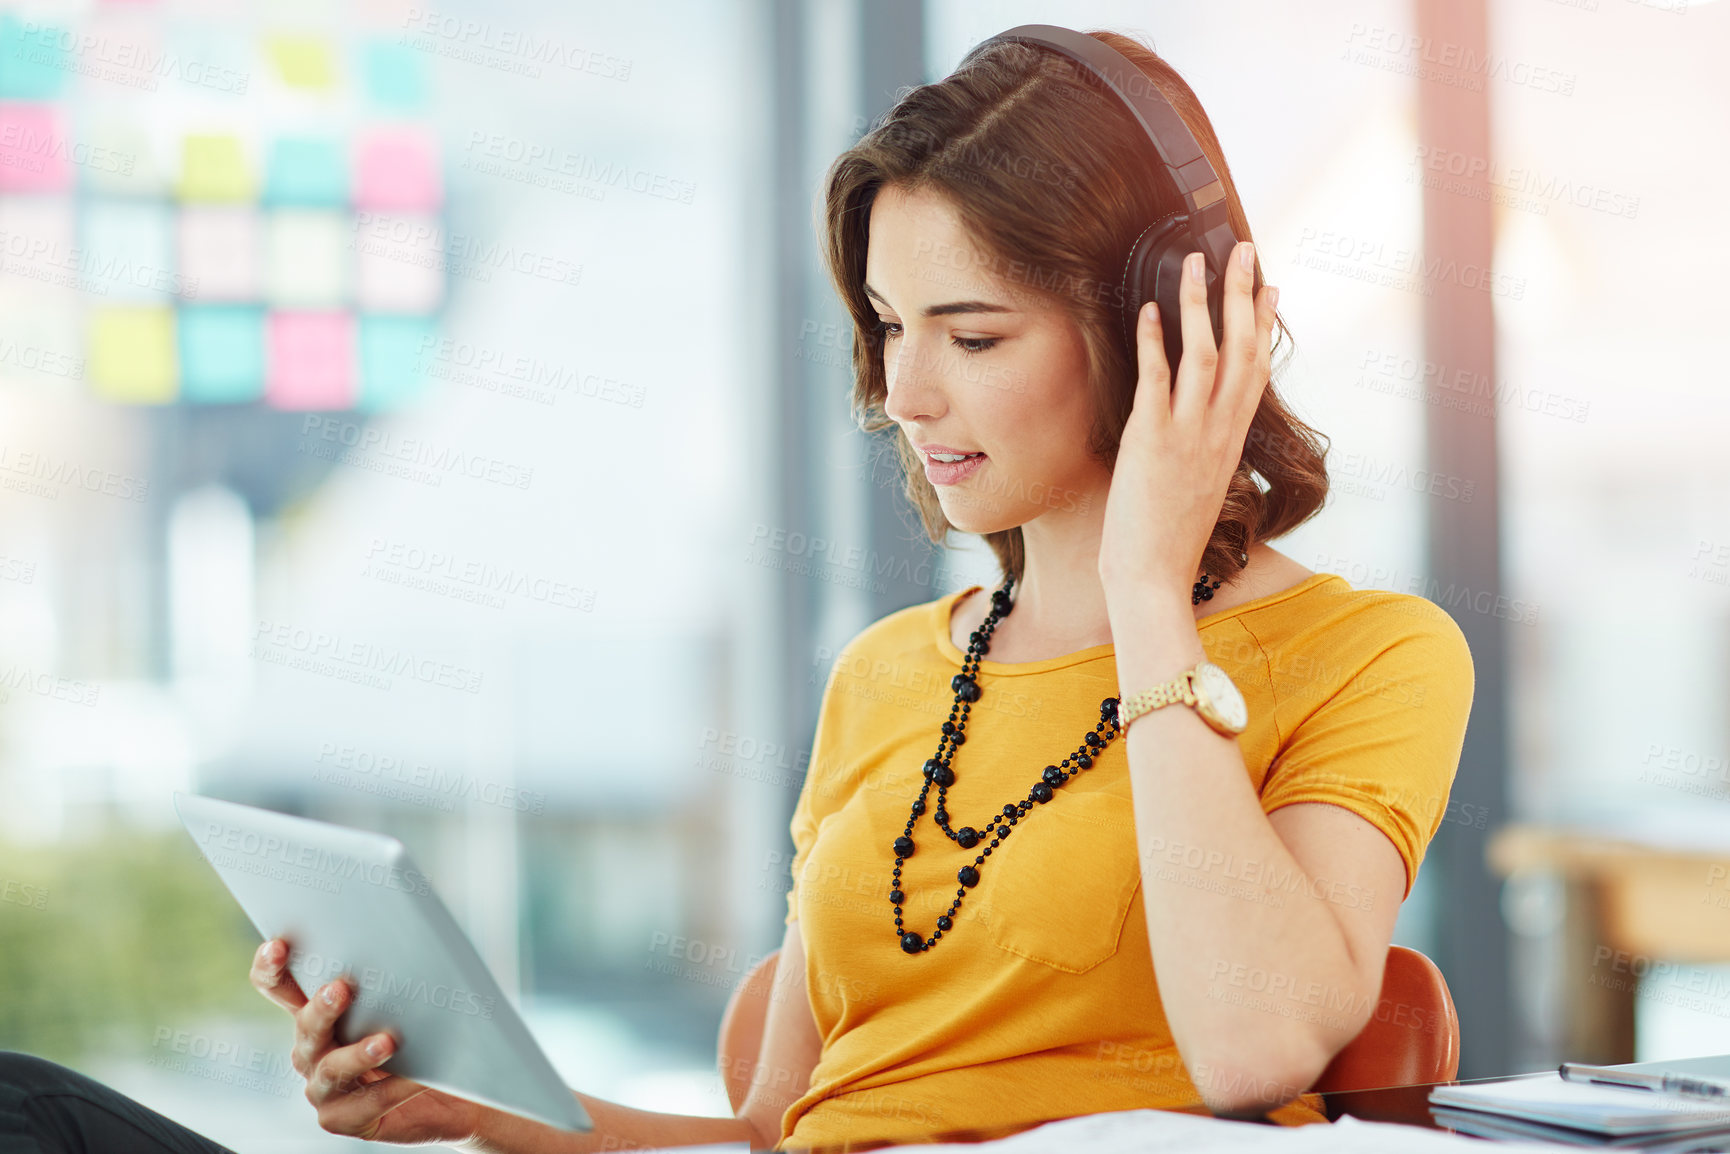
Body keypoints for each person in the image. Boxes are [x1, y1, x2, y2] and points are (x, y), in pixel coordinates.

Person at [0, 25, 1473, 1154]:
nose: (903, 388)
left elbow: (1250, 1044)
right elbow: (784, 1130)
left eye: (970, 332)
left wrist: (1149, 589)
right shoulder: (889, 674)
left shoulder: (1370, 653)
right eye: (889, 324)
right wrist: (482, 1112)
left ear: (1162, 327)